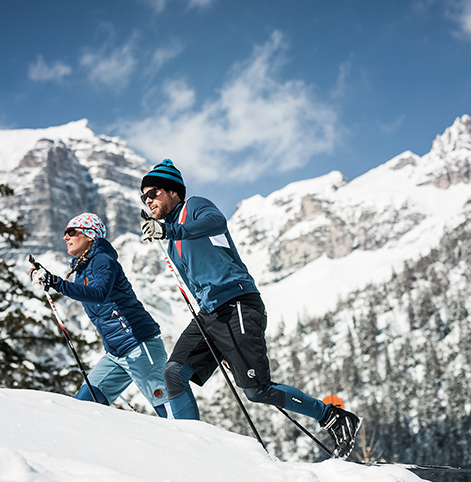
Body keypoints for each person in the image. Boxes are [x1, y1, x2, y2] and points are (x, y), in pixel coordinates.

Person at [139, 159, 361, 458]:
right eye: (144, 197)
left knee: (257, 391)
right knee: (174, 372)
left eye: (153, 192)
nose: (148, 200)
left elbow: (216, 223)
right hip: (210, 314)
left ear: (173, 191)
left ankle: (332, 417)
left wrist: (170, 232)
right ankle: (190, 448)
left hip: (237, 305)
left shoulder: (195, 207)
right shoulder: (172, 236)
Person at [31, 212, 170, 418]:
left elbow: (99, 294)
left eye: (71, 232)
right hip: (115, 354)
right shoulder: (82, 271)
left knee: (168, 411)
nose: (65, 237)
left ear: (90, 235)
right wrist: (49, 280)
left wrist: (57, 283)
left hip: (139, 345)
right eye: (65, 233)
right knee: (82, 407)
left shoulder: (103, 260)